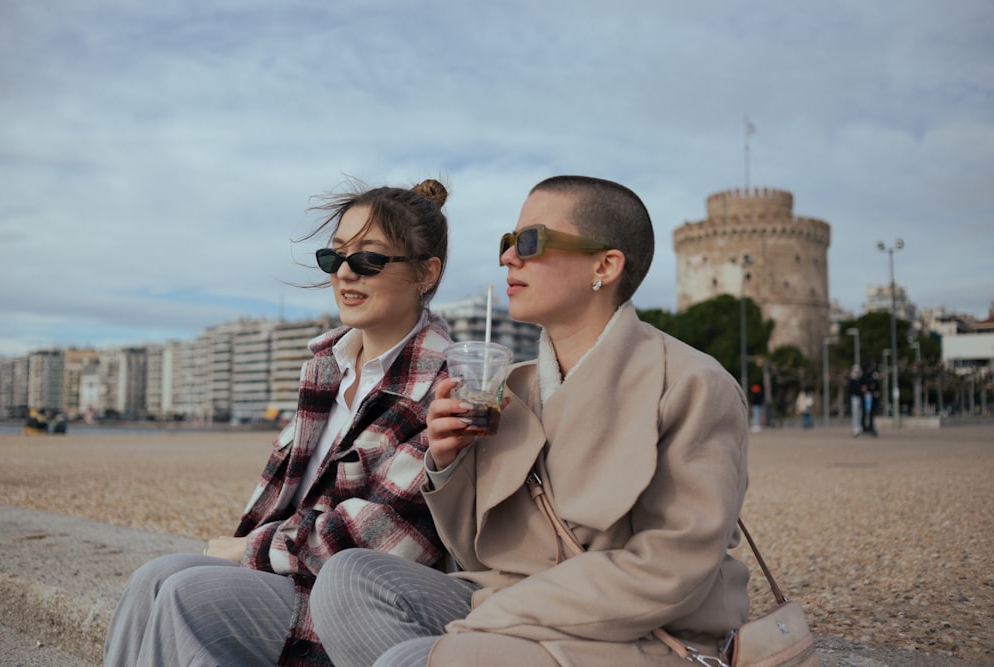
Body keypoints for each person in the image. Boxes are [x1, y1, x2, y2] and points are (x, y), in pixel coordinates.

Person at [311, 175, 751, 667]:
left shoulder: (692, 385)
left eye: (530, 242)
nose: (508, 258)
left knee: (409, 660)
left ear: (604, 265)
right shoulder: (515, 387)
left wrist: (489, 620)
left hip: (636, 634)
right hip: (510, 607)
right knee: (349, 579)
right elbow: (478, 555)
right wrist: (446, 462)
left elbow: (671, 571)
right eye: (507, 242)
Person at [103, 179, 454, 667]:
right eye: (335, 257)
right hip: (286, 571)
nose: (346, 274)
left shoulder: (442, 385)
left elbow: (386, 539)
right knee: (152, 578)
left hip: (342, 599)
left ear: (426, 273)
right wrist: (248, 551)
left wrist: (248, 550)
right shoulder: (327, 369)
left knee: (187, 594)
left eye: (368, 259)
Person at [861, 363, 879, 436]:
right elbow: (861, 387)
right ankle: (864, 427)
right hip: (865, 398)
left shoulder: (873, 377)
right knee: (864, 413)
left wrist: (876, 392)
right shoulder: (863, 378)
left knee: (871, 414)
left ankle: (871, 427)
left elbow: (877, 387)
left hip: (872, 398)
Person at [848, 364, 864, 437]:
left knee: (860, 413)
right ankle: (855, 428)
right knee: (855, 413)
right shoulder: (852, 380)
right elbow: (852, 390)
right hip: (854, 397)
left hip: (860, 397)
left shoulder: (860, 379)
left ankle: (859, 427)